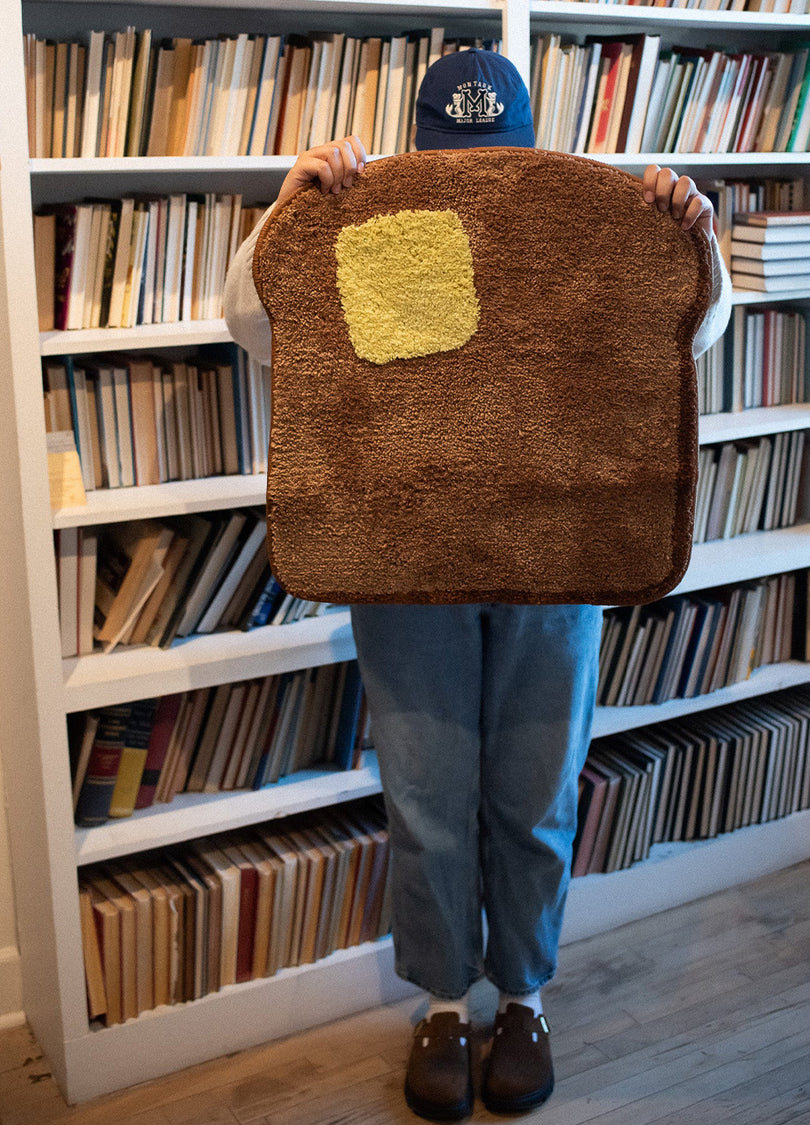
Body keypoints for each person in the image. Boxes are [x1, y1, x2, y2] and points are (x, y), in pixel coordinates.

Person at [225, 48, 732, 1121]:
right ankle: (446, 1007)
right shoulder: (384, 233)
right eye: (456, 160)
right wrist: (289, 215)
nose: (479, 181)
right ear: (420, 152)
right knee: (427, 793)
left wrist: (690, 240)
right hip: (406, 554)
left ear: (530, 145)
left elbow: (686, 334)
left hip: (560, 544)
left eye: (495, 159)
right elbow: (262, 329)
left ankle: (528, 996)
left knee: (536, 791)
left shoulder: (584, 221)